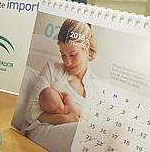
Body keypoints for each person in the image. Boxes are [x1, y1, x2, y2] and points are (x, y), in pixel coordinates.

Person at [23, 19, 98, 151]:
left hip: (79, 136)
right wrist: (66, 118)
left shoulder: (96, 87)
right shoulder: (52, 69)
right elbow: (30, 113)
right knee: (90, 134)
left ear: (86, 46)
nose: (67, 62)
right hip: (42, 131)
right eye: (63, 55)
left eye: (73, 55)